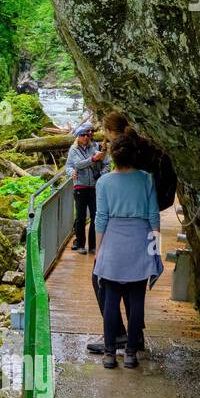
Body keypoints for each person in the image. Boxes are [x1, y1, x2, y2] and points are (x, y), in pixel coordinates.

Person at [92, 132, 164, 368]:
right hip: (140, 241)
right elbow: (154, 216)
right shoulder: (146, 179)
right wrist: (157, 250)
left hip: (113, 241)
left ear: (113, 156)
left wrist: (98, 252)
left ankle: (110, 354)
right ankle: (131, 353)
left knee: (111, 300)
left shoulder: (104, 182)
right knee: (137, 301)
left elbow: (100, 218)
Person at [65, 122, 104, 254]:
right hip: (80, 186)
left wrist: (101, 167)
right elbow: (76, 164)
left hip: (93, 186)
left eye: (87, 135)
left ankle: (93, 245)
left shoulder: (93, 147)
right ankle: (81, 244)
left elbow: (102, 160)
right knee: (81, 217)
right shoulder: (74, 150)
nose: (86, 137)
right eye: (82, 135)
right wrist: (93, 159)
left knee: (95, 216)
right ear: (77, 136)